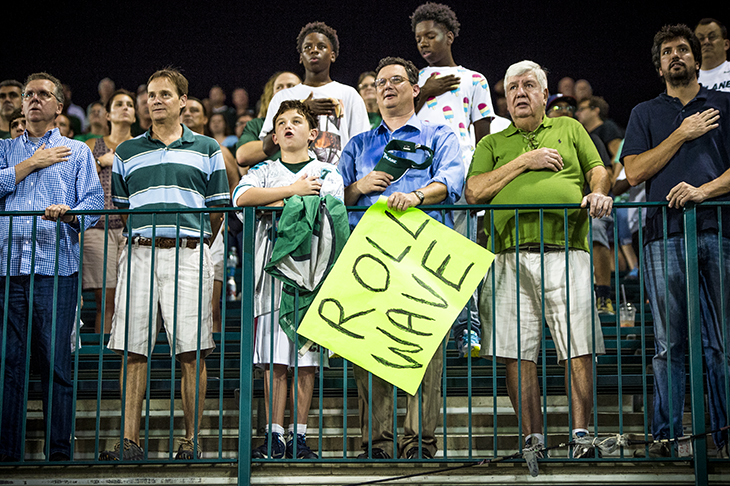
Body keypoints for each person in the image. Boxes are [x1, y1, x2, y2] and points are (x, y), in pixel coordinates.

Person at [466, 60, 611, 459]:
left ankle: (581, 435)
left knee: (578, 347)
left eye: (529, 85)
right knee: (517, 351)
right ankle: (533, 440)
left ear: (545, 95)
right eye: (512, 88)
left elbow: (598, 169)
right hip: (508, 258)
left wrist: (598, 191)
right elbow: (474, 192)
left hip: (567, 251)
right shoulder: (492, 143)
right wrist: (523, 163)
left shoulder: (569, 128)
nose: (519, 94)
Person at [101, 68, 229, 461]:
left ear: (183, 102)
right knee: (133, 349)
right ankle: (129, 441)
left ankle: (191, 442)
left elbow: (218, 209)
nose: (154, 100)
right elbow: (122, 210)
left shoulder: (207, 148)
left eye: (164, 95)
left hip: (190, 254)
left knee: (192, 351)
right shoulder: (126, 152)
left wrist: (190, 239)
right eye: (150, 95)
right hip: (139, 252)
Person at [340, 56, 463, 460]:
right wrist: (358, 186)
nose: (387, 87)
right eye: (380, 82)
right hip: (370, 257)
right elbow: (332, 197)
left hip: (424, 255)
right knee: (366, 350)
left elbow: (452, 180)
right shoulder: (358, 144)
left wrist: (415, 196)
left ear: (415, 88)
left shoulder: (439, 133)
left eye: (396, 80)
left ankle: (418, 444)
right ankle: (376, 443)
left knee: (424, 352)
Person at [622, 24, 730, 459]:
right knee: (669, 346)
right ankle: (666, 440)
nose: (676, 56)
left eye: (683, 49)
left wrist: (703, 191)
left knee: (721, 342)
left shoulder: (724, 104)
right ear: (659, 65)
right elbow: (633, 172)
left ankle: (725, 437)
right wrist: (681, 133)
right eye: (667, 51)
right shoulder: (645, 113)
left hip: (719, 232)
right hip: (662, 237)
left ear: (697, 58)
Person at [0, 72, 104, 462]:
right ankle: (7, 454)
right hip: (8, 269)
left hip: (56, 267)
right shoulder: (4, 149)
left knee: (57, 365)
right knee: (8, 365)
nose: (34, 100)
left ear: (59, 106)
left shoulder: (77, 152)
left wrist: (70, 214)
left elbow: (93, 204)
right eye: (29, 94)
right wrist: (31, 164)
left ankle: (59, 453)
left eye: (44, 94)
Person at [233, 99, 344, 460]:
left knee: (306, 362)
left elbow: (325, 209)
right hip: (269, 279)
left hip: (311, 279)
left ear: (313, 134)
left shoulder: (328, 173)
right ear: (275, 135)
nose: (288, 127)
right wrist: (293, 193)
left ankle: (299, 435)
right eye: (281, 123)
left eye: (297, 121)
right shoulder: (263, 170)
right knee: (273, 361)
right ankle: (274, 436)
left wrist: (274, 205)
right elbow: (241, 197)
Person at [411, 1, 494, 359]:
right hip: (418, 179)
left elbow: (485, 136)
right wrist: (426, 92)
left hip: (459, 179)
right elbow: (398, 120)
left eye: (431, 36)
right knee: (421, 257)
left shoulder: (474, 79)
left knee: (460, 255)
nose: (424, 44)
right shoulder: (412, 81)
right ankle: (425, 329)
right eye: (418, 39)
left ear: (450, 35)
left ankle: (467, 328)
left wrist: (481, 182)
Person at [260, 21, 370, 167]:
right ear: (300, 57)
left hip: (338, 181)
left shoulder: (349, 94)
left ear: (332, 55)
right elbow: (267, 147)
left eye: (321, 46)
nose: (314, 50)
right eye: (307, 47)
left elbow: (362, 147)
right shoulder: (282, 97)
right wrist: (301, 110)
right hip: (294, 183)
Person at [182, 96, 244, 333]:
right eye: (185, 110)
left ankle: (213, 364)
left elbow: (234, 185)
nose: (188, 114)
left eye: (195, 110)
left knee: (210, 305)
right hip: (179, 230)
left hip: (211, 230)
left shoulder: (217, 148)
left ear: (205, 118)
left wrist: (224, 218)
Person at [83, 89, 136, 334]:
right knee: (105, 300)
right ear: (107, 114)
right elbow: (80, 181)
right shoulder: (92, 145)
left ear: (135, 115)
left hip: (131, 229)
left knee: (131, 299)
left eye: (129, 104)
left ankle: (125, 360)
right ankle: (100, 365)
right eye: (119, 104)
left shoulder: (141, 145)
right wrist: (101, 161)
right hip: (98, 229)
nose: (125, 108)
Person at [236, 71, 301, 168]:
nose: (284, 91)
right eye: (279, 87)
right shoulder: (257, 124)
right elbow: (242, 157)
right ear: (273, 95)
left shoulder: (313, 122)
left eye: (291, 86)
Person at [695, 18, 730, 92]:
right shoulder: (688, 79)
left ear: (726, 44)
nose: (706, 42)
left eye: (712, 37)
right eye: (701, 39)